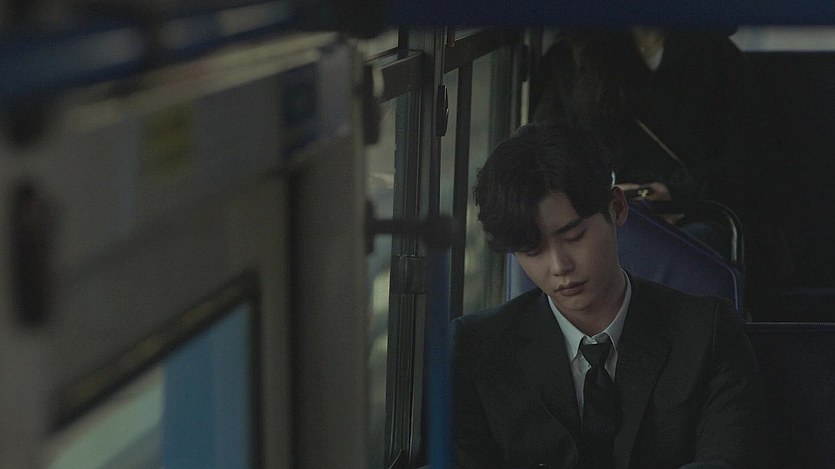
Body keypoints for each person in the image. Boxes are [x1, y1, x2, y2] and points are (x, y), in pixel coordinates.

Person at [452, 121, 768, 468]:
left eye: (574, 236)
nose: (559, 266)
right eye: (532, 249)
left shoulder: (707, 333)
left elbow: (726, 459)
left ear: (617, 208)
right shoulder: (477, 349)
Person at [531, 27, 790, 316]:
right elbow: (547, 155)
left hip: (699, 212)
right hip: (603, 216)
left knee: (688, 253)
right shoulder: (571, 59)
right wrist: (602, 197)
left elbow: (749, 159)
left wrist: (678, 193)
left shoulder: (718, 58)